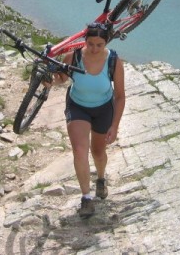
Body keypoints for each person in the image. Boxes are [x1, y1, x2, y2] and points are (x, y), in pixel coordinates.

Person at [47, 22, 126, 217]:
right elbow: (62, 79)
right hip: (78, 106)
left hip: (103, 108)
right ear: (85, 41)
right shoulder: (73, 56)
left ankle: (100, 178)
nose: (94, 49)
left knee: (98, 152)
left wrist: (115, 126)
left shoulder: (114, 61)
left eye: (99, 45)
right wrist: (50, 81)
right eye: (90, 44)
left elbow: (120, 96)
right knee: (79, 151)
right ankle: (86, 198)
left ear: (106, 43)